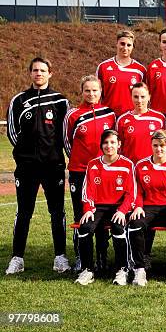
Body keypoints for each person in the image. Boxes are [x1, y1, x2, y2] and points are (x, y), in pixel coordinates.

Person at [5, 57, 70, 275]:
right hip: (27, 167)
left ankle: (60, 256)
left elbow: (64, 134)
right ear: (30, 73)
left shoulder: (60, 101)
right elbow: (12, 133)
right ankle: (17, 258)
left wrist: (58, 156)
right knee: (23, 212)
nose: (38, 73)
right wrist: (25, 156)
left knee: (57, 212)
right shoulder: (19, 100)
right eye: (35, 70)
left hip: (53, 166)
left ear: (50, 73)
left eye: (43, 70)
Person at [64, 75, 116, 271]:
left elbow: (113, 143)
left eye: (95, 90)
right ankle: (81, 257)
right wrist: (80, 161)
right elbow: (67, 142)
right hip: (79, 171)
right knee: (80, 215)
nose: (91, 94)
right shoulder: (73, 115)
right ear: (82, 91)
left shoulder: (109, 114)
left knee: (100, 215)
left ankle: (102, 256)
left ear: (101, 91)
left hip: (103, 172)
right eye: (87, 90)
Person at [129, 130, 166, 286]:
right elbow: (137, 191)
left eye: (162, 145)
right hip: (148, 207)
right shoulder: (141, 165)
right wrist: (137, 207)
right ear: (151, 145)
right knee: (135, 224)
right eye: (155, 145)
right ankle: (140, 269)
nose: (158, 149)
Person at [74, 130, 135, 286]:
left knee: (118, 227)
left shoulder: (127, 165)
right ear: (101, 145)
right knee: (84, 228)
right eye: (106, 142)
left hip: (118, 207)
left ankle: (122, 269)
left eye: (113, 142)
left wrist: (122, 211)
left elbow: (130, 193)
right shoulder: (93, 164)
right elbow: (87, 191)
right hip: (98, 207)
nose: (109, 146)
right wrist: (88, 208)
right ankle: (87, 270)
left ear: (119, 144)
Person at [96, 30, 146, 115]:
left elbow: (145, 97)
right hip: (108, 115)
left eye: (129, 45)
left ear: (133, 47)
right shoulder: (103, 67)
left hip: (131, 117)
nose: (125, 47)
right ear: (117, 44)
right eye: (122, 44)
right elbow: (96, 95)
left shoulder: (140, 70)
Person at [116, 82, 165, 163]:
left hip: (153, 166)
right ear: (131, 97)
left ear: (149, 97)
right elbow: (119, 148)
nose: (139, 100)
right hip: (131, 166)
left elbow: (165, 145)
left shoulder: (159, 118)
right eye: (136, 97)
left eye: (143, 97)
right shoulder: (122, 120)